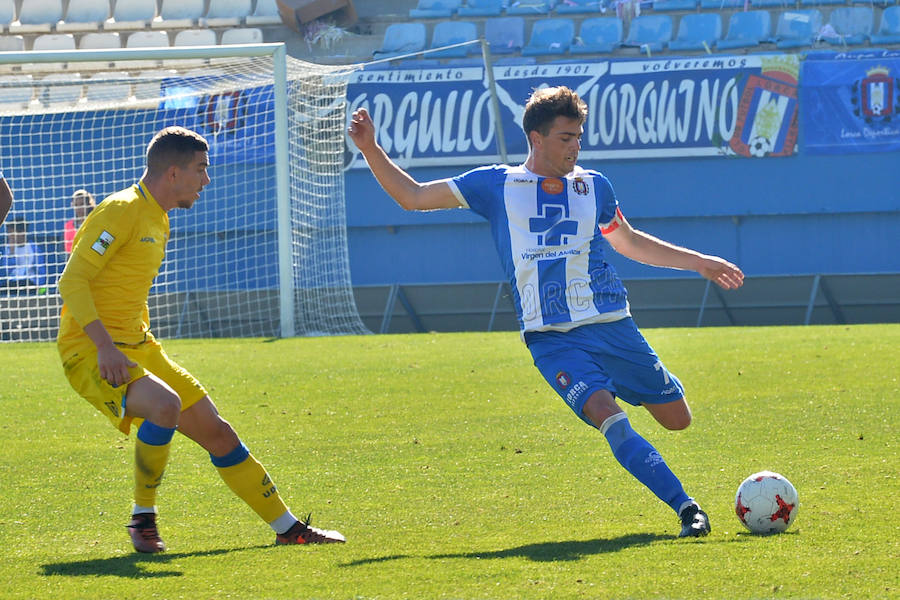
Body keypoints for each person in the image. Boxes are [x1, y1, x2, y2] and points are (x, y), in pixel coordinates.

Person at [348, 86, 745, 538]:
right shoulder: (494, 185)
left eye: (578, 136)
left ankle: (631, 381)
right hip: (552, 339)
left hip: (612, 325)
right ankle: (687, 509)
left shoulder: (593, 185)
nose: (574, 146)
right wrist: (370, 149)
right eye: (564, 138)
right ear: (536, 138)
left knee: (678, 419)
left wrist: (700, 262)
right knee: (606, 414)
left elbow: (628, 241)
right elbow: (413, 196)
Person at [57, 126, 345, 553]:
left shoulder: (159, 216)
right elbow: (72, 281)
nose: (206, 180)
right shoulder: (120, 210)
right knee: (165, 407)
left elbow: (125, 290)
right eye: (200, 169)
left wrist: (134, 340)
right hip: (91, 349)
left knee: (220, 434)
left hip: (137, 346)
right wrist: (104, 346)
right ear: (173, 173)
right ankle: (143, 520)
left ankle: (288, 529)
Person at [1, 216, 46, 294]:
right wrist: (11, 252)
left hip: (29, 283)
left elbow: (41, 271)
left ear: (22, 233)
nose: (10, 237)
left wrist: (40, 287)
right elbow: (7, 271)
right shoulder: (8, 248)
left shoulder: (33, 248)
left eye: (12, 233)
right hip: (12, 283)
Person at [64, 188, 96, 253]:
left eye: (82, 204)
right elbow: (68, 250)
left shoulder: (95, 221)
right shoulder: (68, 225)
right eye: (76, 205)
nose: (79, 208)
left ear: (88, 204)